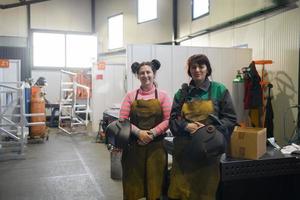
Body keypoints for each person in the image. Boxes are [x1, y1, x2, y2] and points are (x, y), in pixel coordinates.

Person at [168, 54, 237, 200]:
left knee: (204, 194)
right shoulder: (181, 94)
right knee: (180, 193)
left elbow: (230, 119)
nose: (197, 70)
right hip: (183, 155)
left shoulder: (219, 90)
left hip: (208, 154)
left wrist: (209, 130)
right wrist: (186, 126)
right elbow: (173, 121)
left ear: (207, 69)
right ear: (190, 70)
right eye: (194, 67)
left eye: (201, 66)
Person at [119, 59, 172, 200]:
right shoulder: (130, 96)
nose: (145, 75)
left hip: (157, 147)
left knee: (155, 185)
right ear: (137, 76)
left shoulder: (163, 96)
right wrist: (139, 133)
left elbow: (169, 120)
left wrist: (152, 134)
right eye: (141, 73)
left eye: (148, 72)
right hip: (134, 147)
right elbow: (123, 120)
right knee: (132, 183)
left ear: (154, 74)